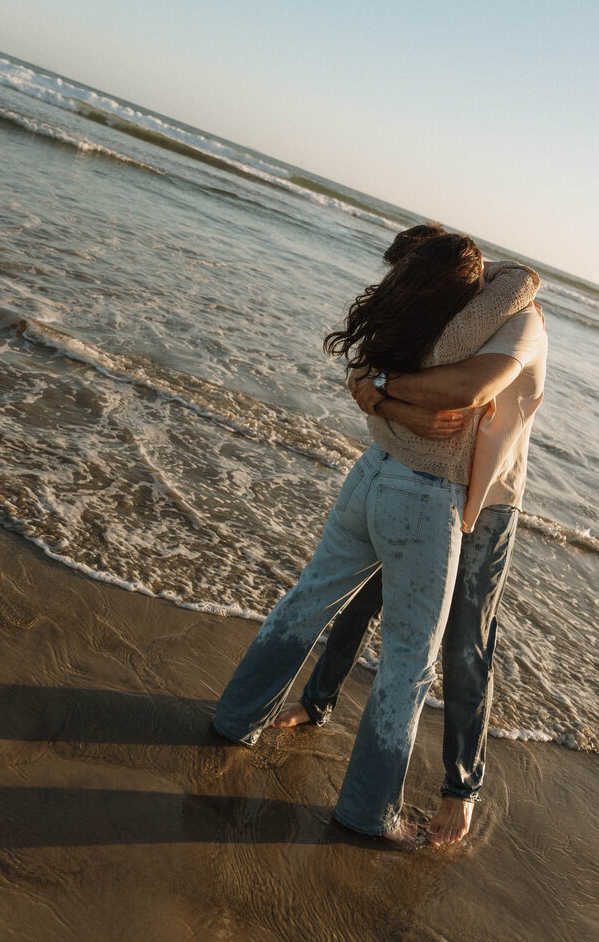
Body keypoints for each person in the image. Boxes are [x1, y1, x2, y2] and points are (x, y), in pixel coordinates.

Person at [213, 231, 539, 841]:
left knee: (307, 602)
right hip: (427, 494)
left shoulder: (431, 315)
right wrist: (395, 397)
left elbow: (396, 379)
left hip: (374, 474)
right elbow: (463, 389)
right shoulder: (471, 316)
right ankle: (366, 811)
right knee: (408, 663)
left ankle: (236, 720)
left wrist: (383, 392)